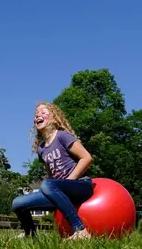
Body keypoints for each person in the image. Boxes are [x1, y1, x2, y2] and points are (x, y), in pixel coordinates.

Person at [11, 103, 94, 240]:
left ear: (54, 118)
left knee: (48, 184)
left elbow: (86, 158)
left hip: (80, 186)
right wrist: (54, 188)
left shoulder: (62, 136)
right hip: (59, 191)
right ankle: (30, 233)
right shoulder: (41, 149)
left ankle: (81, 230)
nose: (38, 115)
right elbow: (51, 174)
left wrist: (67, 182)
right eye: (36, 114)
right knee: (18, 203)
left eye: (43, 112)